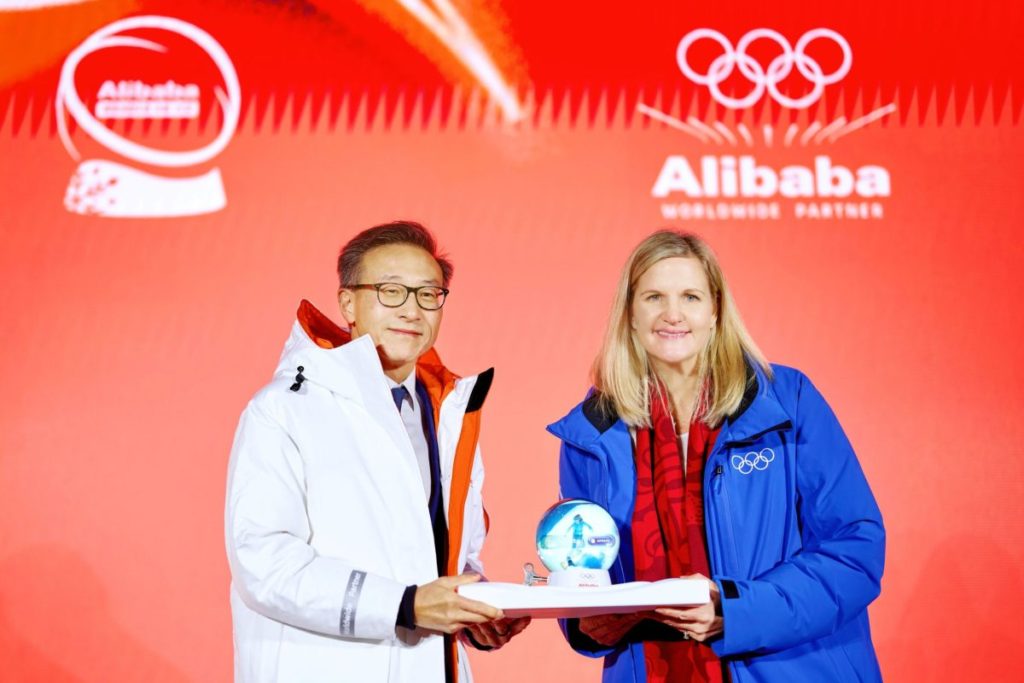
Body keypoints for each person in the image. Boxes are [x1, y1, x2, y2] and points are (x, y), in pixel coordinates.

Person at [547, 231, 884, 682]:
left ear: (715, 311)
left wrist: (734, 611)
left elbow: (855, 551)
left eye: (690, 297)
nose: (672, 314)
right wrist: (584, 622)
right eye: (653, 297)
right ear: (630, 314)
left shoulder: (787, 401)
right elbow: (585, 568)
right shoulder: (592, 433)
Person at [225, 221, 529, 683]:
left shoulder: (447, 414)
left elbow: (442, 559)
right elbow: (263, 563)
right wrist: (404, 605)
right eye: (391, 291)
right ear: (348, 303)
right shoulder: (284, 409)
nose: (411, 309)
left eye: (428, 294)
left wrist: (475, 610)